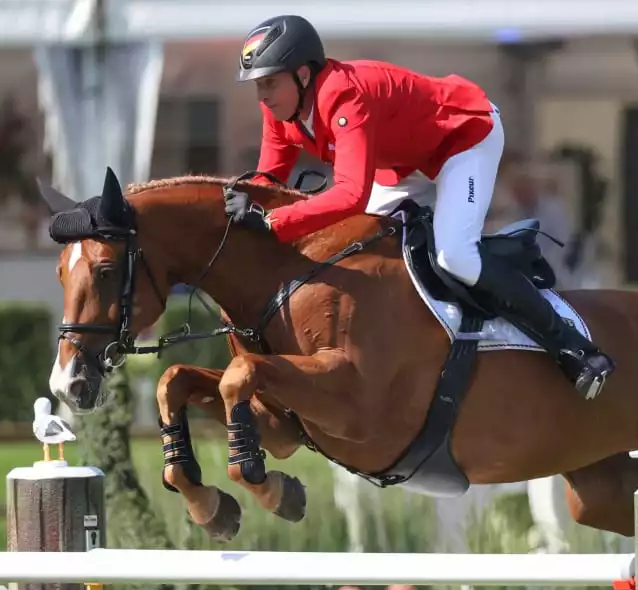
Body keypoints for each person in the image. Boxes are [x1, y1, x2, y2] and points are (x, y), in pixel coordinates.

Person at [223, 15, 614, 399]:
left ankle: (573, 346)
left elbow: (349, 195)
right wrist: (245, 202)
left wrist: (273, 222)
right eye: (258, 85)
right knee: (352, 246)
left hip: (462, 138)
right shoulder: (279, 110)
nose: (263, 96)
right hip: (401, 165)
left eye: (270, 83)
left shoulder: (343, 94)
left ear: (303, 75)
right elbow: (270, 177)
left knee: (455, 255)